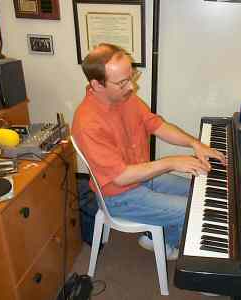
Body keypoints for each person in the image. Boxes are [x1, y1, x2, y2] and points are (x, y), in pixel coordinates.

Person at [72, 43, 225, 260]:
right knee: (193, 210)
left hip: (142, 178)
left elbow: (157, 125)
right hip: (119, 196)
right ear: (96, 85)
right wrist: (171, 162)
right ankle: (172, 246)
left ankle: (157, 239)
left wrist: (194, 143)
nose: (131, 87)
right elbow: (122, 177)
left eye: (132, 76)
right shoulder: (88, 123)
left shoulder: (124, 96)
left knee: (200, 190)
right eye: (122, 82)